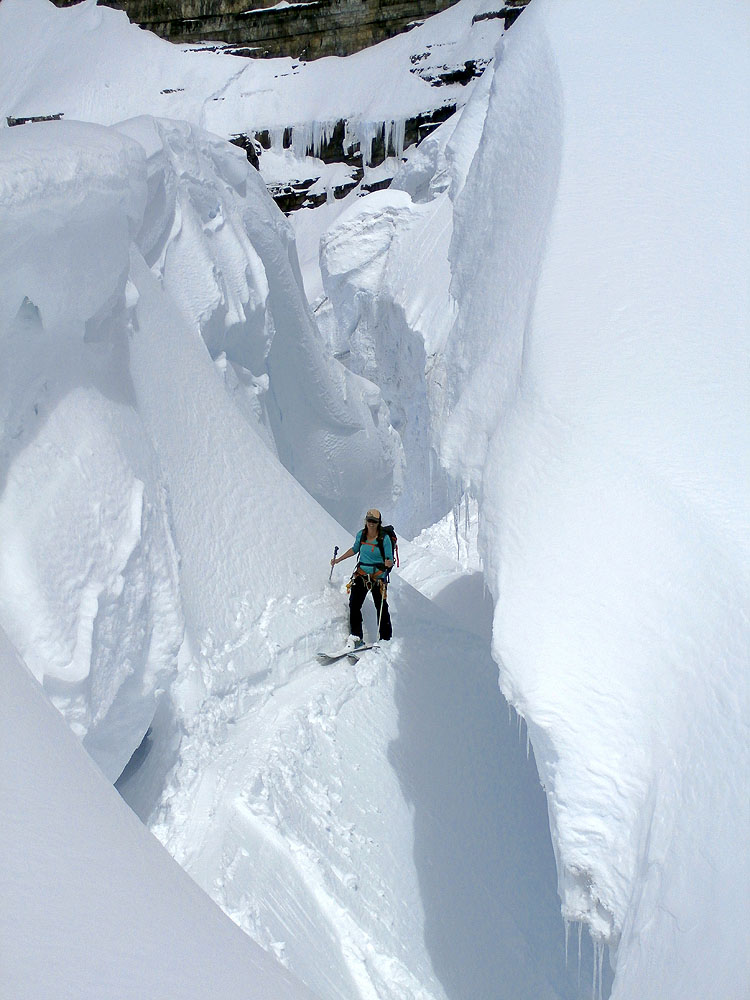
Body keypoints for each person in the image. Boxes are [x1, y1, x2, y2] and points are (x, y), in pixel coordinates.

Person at [331, 508, 393, 648]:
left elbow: (389, 558)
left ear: (378, 523)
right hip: (362, 574)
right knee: (354, 604)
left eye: (374, 522)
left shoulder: (385, 538)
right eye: (369, 521)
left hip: (378, 576)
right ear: (366, 521)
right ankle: (356, 636)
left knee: (381, 607)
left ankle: (386, 638)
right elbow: (355, 549)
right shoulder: (362, 535)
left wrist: (389, 563)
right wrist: (338, 560)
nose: (371, 524)